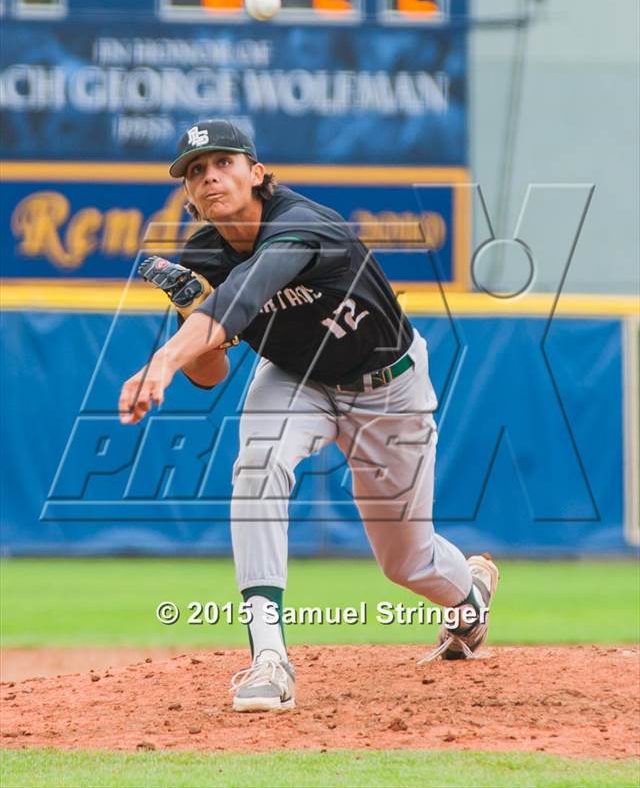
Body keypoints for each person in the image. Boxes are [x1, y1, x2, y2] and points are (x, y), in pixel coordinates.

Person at [119, 119, 499, 713]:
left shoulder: (304, 225)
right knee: (258, 464)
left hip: (388, 388)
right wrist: (189, 308)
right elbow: (212, 373)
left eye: (223, 162)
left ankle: (469, 599)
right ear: (189, 195)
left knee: (406, 561)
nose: (210, 176)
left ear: (257, 173)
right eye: (196, 171)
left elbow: (248, 293)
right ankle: (268, 658)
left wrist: (162, 362)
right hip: (297, 378)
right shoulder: (203, 258)